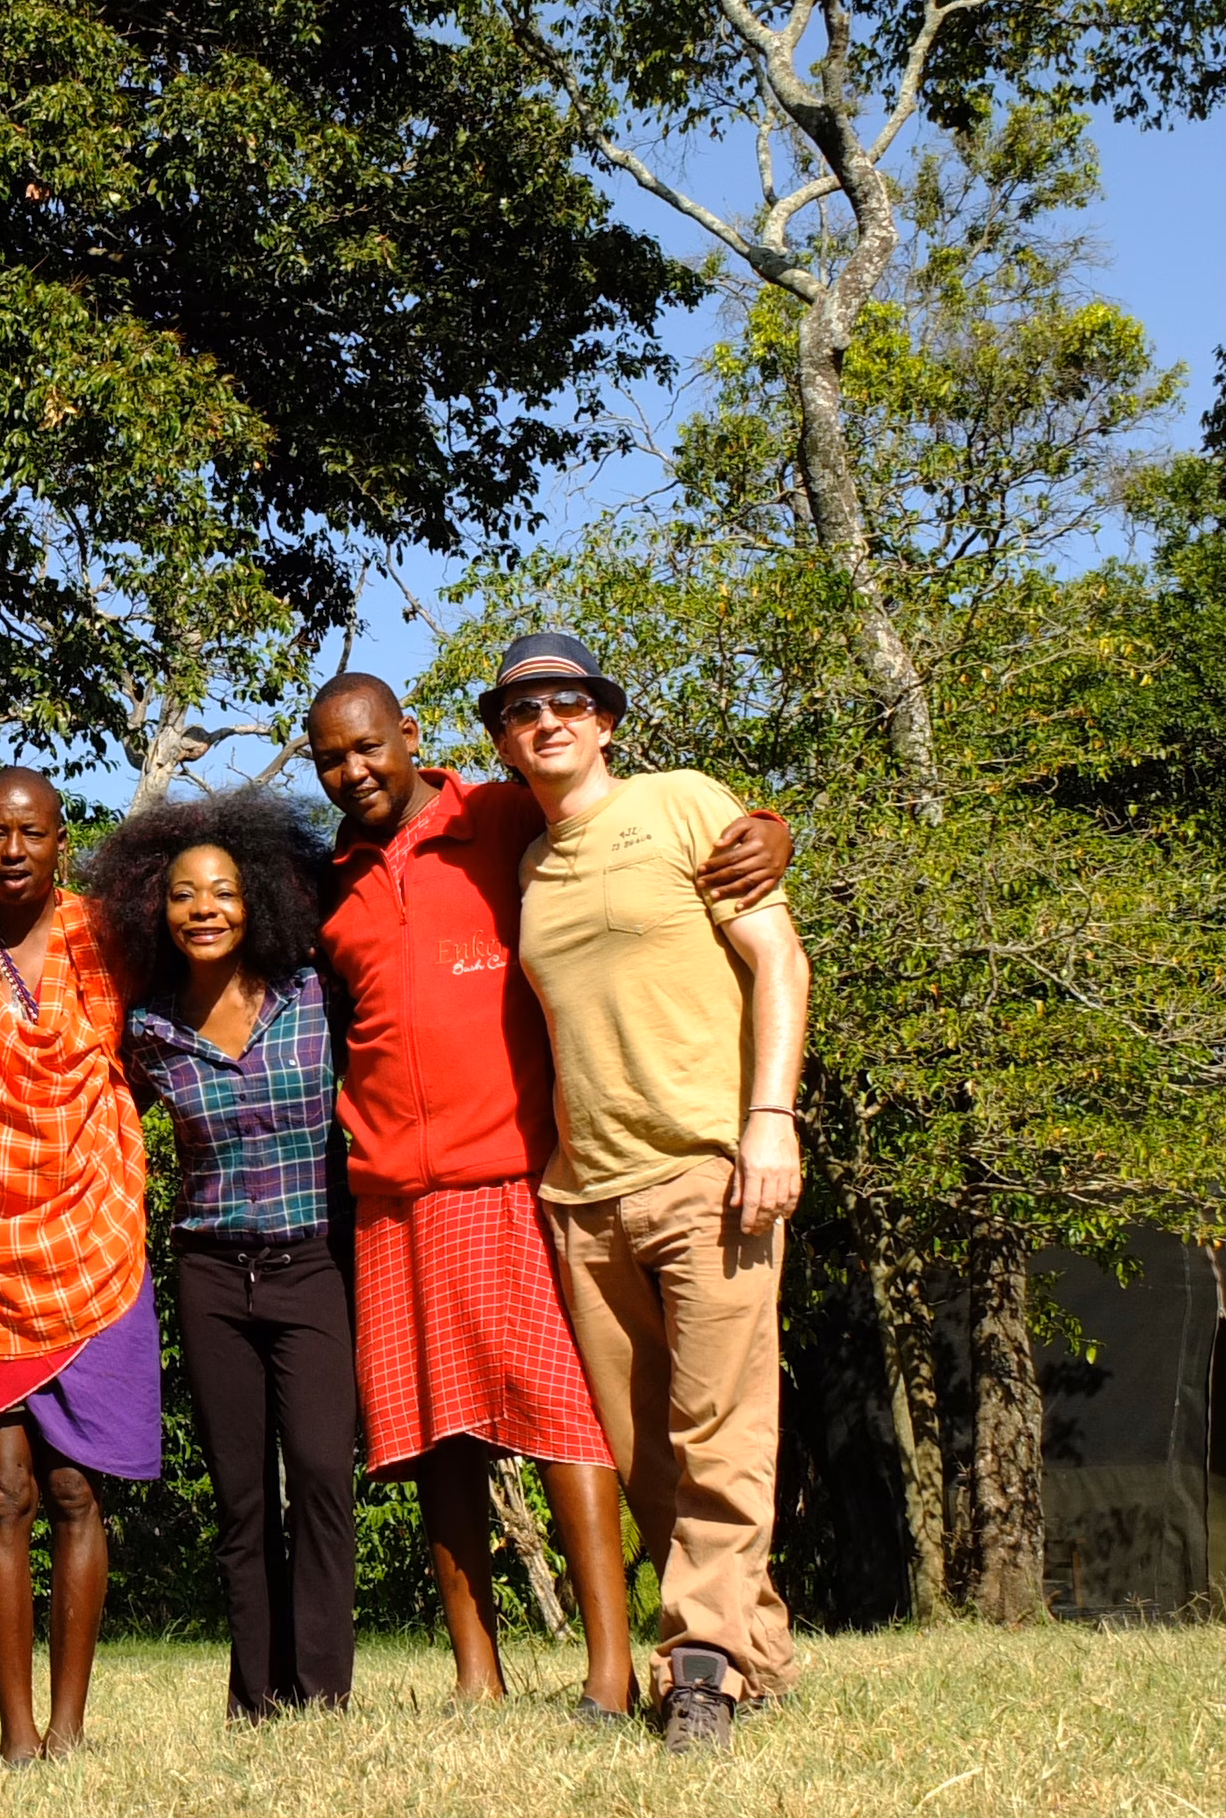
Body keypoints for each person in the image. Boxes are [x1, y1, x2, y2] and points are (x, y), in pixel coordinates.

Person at [306, 670, 793, 1722]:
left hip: (529, 1169)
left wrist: (768, 823)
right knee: (447, 1437)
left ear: (410, 736)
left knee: (571, 1423)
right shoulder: (328, 882)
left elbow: (622, 809)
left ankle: (622, 1672)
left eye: (366, 747)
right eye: (329, 760)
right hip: (405, 1186)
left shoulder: (495, 814)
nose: (352, 772)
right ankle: (491, 1675)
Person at [486, 633, 812, 1757]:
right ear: (500, 738)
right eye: (522, 709)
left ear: (606, 719)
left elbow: (777, 959)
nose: (547, 720)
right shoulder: (525, 862)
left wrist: (767, 1120)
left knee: (719, 1428)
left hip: (703, 1170)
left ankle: (702, 1672)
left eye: (567, 700)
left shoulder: (681, 804)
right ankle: (752, 1651)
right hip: (582, 1199)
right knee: (647, 1458)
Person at [0, 767, 160, 1764]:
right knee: (1, 1486)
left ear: (61, 841)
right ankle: (13, 1733)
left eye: (31, 834)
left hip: (92, 1231)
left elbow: (144, 1055)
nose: (12, 851)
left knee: (73, 1492)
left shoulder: (108, 937)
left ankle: (65, 1729)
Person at [81, 790, 353, 1718]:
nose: (205, 910)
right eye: (185, 894)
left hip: (311, 1264)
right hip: (209, 1274)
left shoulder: (316, 994)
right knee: (242, 1497)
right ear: (152, 907)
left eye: (225, 892)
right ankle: (256, 1695)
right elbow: (76, 1101)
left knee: (319, 1473)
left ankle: (321, 1691)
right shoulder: (148, 1031)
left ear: (262, 899)